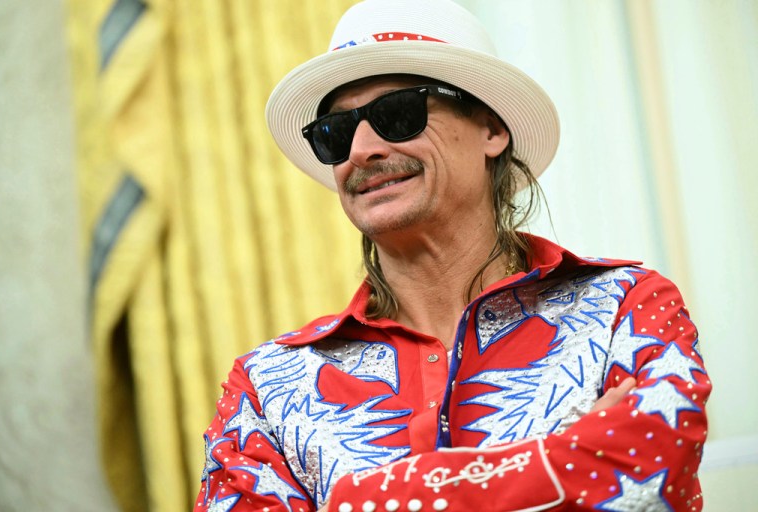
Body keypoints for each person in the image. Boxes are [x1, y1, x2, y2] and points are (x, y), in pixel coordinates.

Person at [195, 0, 710, 510]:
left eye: (397, 113)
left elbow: (647, 481)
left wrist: (355, 501)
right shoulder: (264, 387)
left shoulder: (626, 308)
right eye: (336, 132)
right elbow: (603, 481)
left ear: (492, 130)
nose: (361, 151)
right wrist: (560, 464)